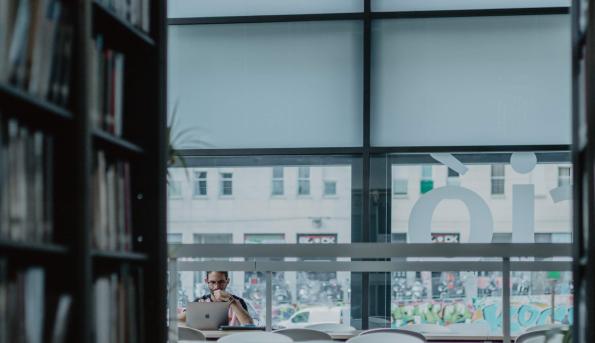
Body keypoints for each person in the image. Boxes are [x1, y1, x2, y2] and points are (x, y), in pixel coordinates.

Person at [178, 271, 253, 325]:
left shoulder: (237, 302)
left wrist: (231, 301)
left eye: (221, 282)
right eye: (213, 282)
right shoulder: (200, 301)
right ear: (206, 281)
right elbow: (179, 319)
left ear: (227, 281)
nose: (217, 287)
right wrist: (198, 309)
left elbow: (249, 324)